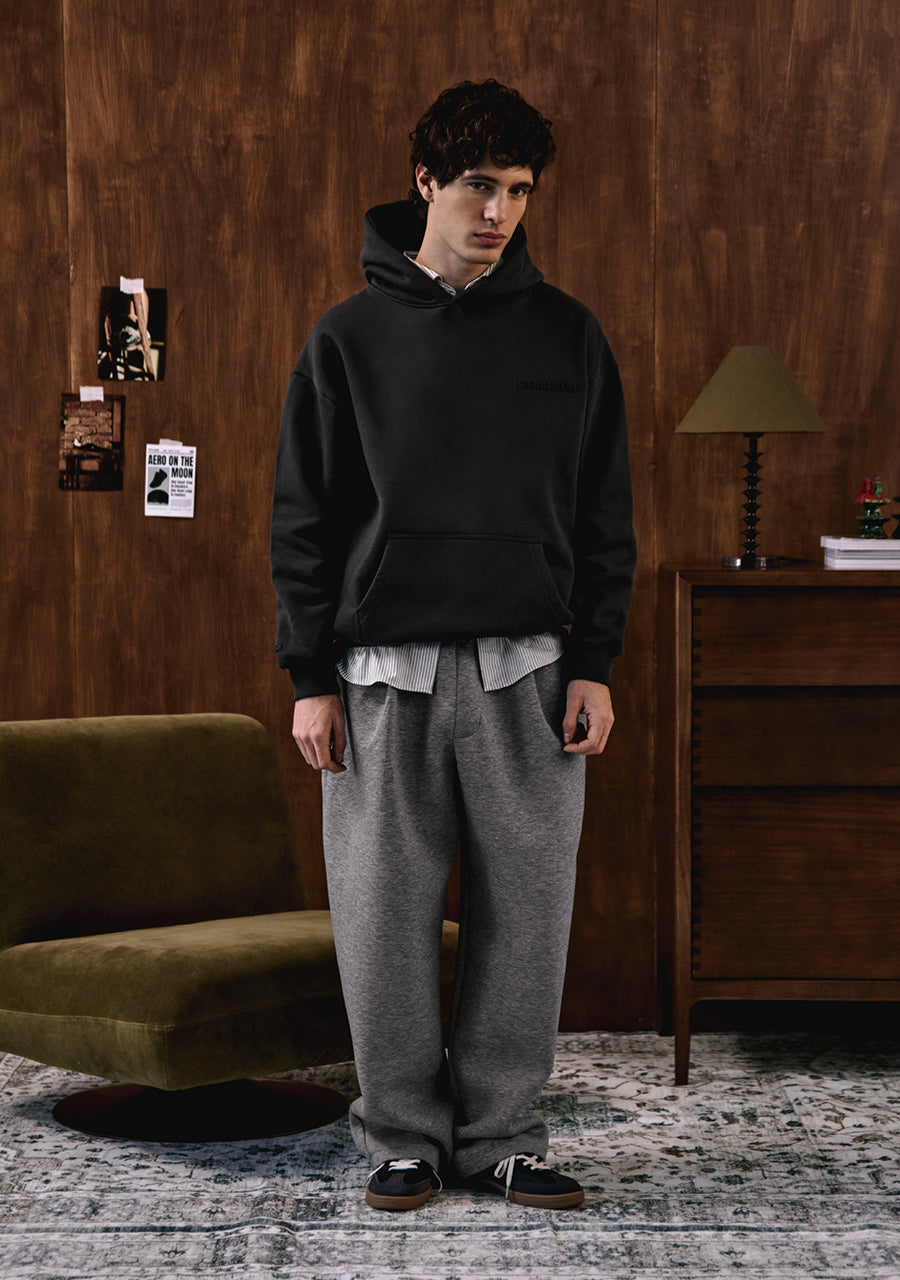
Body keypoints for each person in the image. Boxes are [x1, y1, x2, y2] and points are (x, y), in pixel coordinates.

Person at [270, 79, 635, 1212]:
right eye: (479, 185)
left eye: (519, 190)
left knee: (528, 918)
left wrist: (595, 661)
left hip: (531, 672)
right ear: (425, 181)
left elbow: (605, 515)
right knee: (383, 920)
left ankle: (501, 1137)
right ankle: (400, 1136)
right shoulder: (347, 339)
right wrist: (309, 678)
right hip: (384, 678)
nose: (499, 212)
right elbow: (303, 520)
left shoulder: (570, 335)